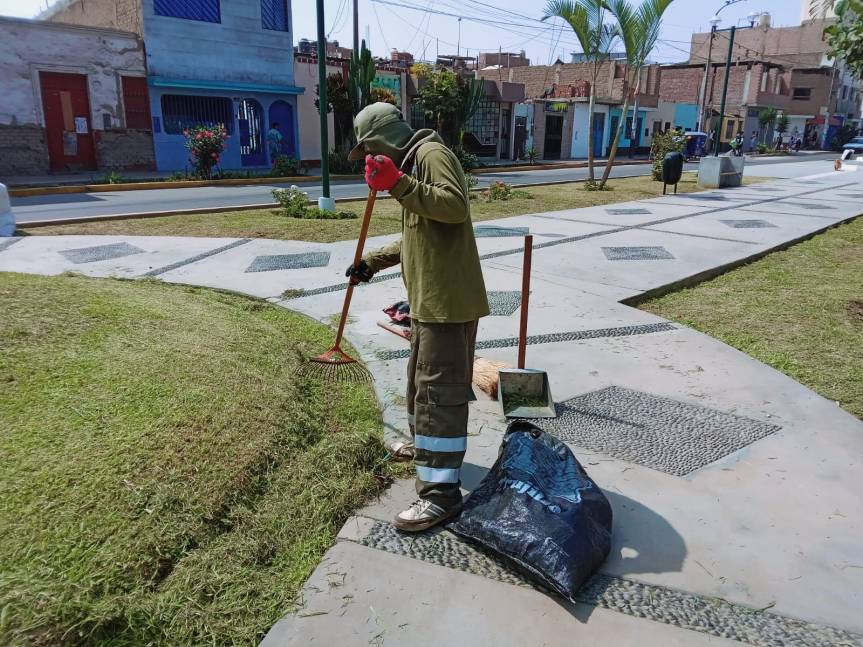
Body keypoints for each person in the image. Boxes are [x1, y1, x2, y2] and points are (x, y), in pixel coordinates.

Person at [344, 102, 489, 532]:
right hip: (429, 305)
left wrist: (399, 183)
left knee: (438, 397)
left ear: (380, 138)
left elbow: (454, 206)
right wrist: (372, 261)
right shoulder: (412, 164)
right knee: (419, 387)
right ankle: (424, 450)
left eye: (368, 150)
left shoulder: (429, 156)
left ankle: (440, 494)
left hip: (447, 307)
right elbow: (415, 234)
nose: (369, 159)